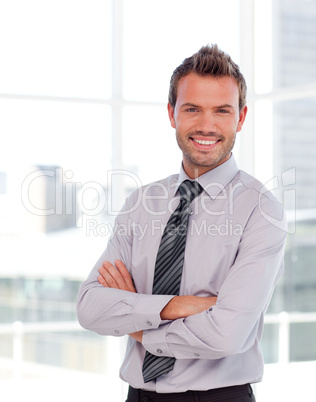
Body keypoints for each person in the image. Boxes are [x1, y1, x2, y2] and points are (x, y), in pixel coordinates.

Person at [76, 44, 287, 402]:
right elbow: (90, 308)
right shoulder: (140, 204)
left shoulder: (262, 210)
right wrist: (181, 305)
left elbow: (227, 334)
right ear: (172, 114)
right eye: (192, 109)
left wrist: (138, 319)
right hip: (138, 395)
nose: (206, 125)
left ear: (241, 117)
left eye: (222, 111)